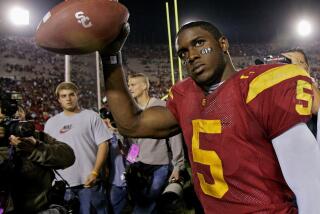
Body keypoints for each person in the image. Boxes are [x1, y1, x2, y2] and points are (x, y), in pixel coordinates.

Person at [99, 21, 320, 213]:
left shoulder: (260, 87)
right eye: (183, 53)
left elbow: (310, 181)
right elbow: (131, 124)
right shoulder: (185, 96)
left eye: (199, 43)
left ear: (222, 44)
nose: (191, 55)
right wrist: (110, 54)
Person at [44, 82, 112, 214]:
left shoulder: (91, 116)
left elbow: (103, 145)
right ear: (59, 99)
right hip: (63, 185)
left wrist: (95, 172)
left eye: (71, 95)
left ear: (77, 96)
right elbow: (49, 152)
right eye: (64, 96)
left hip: (89, 182)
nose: (68, 99)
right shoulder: (51, 123)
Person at [0, 102, 75, 214]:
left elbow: (68, 157)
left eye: (16, 120)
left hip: (40, 209)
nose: (13, 125)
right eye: (5, 121)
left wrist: (35, 148)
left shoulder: (36, 137)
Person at [126, 73, 185, 214]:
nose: (130, 88)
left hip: (159, 164)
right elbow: (134, 141)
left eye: (133, 85)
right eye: (129, 85)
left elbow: (174, 136)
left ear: (145, 86)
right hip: (139, 164)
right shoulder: (132, 110)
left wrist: (178, 165)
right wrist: (131, 160)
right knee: (144, 201)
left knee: (148, 203)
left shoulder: (161, 106)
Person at [100, 107, 129, 214]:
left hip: (130, 179)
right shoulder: (102, 137)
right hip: (114, 182)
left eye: (110, 118)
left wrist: (126, 153)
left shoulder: (127, 134)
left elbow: (135, 151)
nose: (108, 121)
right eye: (105, 119)